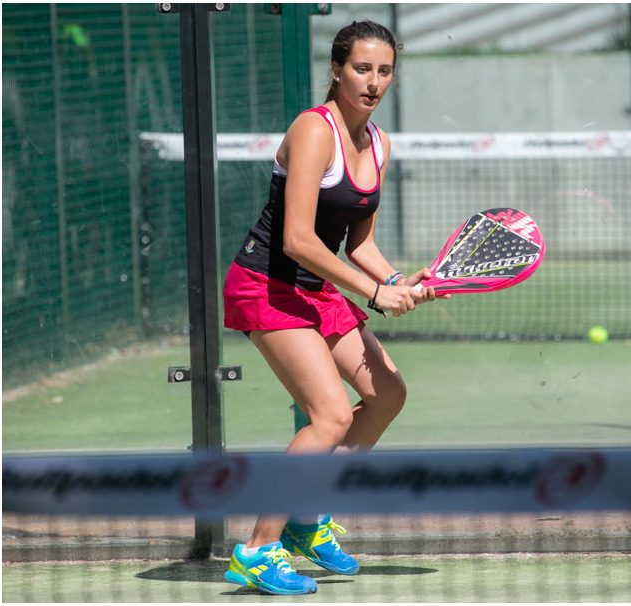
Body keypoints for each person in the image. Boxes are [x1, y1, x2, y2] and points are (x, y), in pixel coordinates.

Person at [221, 20, 444, 595]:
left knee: (387, 394)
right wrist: (374, 293)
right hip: (266, 285)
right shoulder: (313, 130)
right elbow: (297, 238)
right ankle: (256, 550)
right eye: (362, 69)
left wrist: (397, 281)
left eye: (384, 71)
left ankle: (306, 516)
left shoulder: (379, 144)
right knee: (330, 416)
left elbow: (359, 244)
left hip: (315, 290)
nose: (373, 82)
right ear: (337, 70)